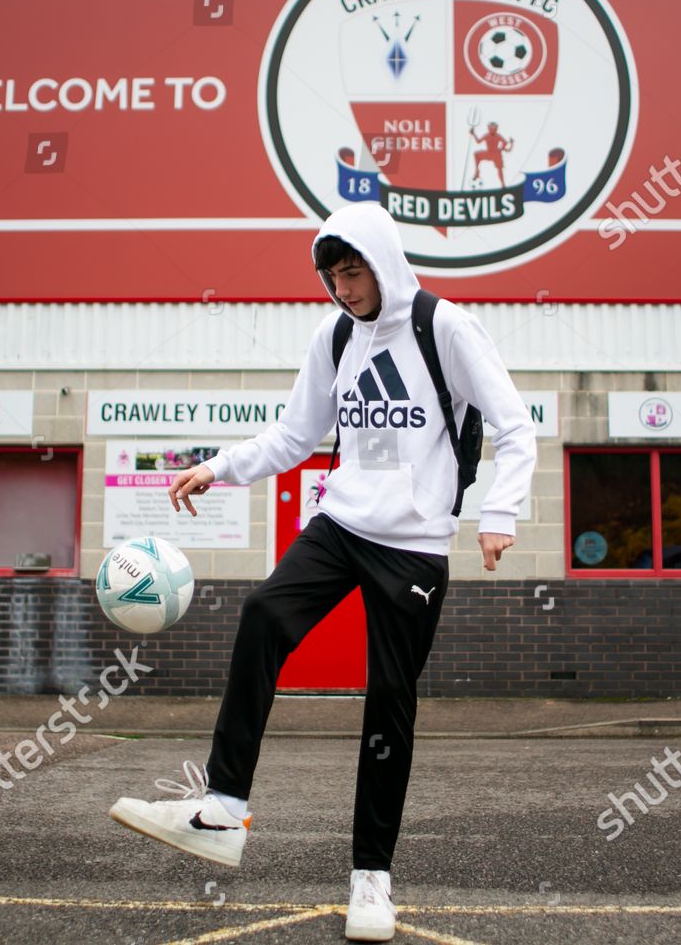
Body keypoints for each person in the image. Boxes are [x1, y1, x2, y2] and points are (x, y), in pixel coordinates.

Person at [109, 202, 536, 942]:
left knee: (389, 704)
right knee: (263, 614)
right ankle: (221, 809)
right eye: (332, 276)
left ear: (383, 262)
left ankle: (372, 881)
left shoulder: (445, 327)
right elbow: (295, 434)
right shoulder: (335, 336)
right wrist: (217, 467)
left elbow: (514, 423)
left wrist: (500, 515)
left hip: (414, 545)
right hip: (339, 526)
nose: (343, 288)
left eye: (353, 271)